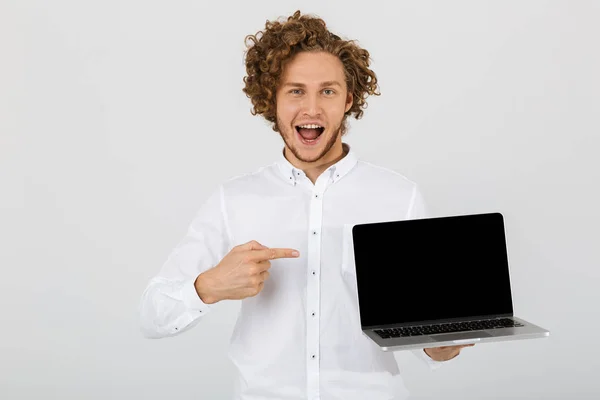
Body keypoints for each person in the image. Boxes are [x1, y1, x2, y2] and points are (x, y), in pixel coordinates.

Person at [139, 10, 473, 400]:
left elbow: (432, 345)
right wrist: (210, 286)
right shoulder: (234, 199)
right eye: (295, 90)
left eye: (327, 91)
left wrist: (443, 343)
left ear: (348, 99)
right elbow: (151, 315)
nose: (312, 109)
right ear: (272, 99)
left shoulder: (400, 197)